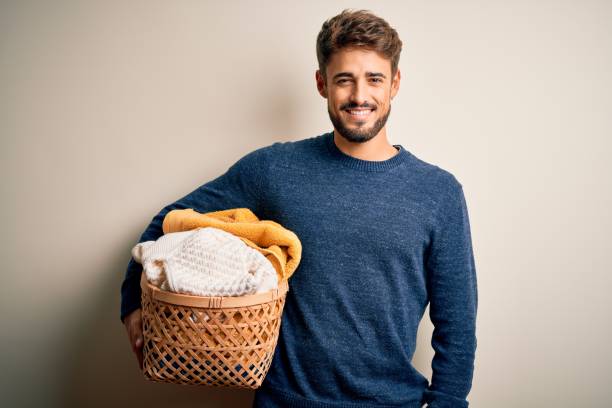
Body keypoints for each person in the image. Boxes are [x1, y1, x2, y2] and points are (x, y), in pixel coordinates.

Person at [121, 8, 478, 408]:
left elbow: (457, 328)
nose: (360, 95)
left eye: (374, 79)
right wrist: (132, 301)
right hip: (283, 401)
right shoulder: (275, 169)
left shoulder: (438, 192)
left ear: (394, 84)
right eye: (344, 80)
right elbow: (171, 222)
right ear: (322, 83)